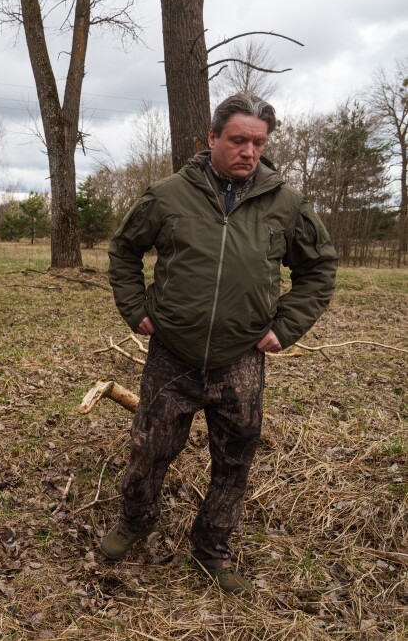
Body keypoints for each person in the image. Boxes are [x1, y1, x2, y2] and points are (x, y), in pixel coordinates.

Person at [102, 92, 338, 595]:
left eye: (258, 142)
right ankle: (134, 523)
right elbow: (124, 250)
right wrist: (136, 308)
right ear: (211, 138)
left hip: (241, 359)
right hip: (172, 354)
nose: (249, 151)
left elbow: (319, 269)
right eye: (237, 140)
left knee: (234, 460)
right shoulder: (167, 196)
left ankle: (212, 548)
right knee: (149, 449)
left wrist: (285, 327)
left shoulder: (286, 204)